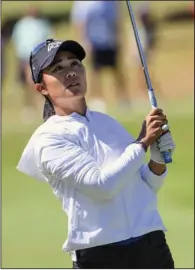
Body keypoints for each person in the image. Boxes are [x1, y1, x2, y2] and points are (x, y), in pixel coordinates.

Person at [17, 38, 176, 269]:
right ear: (41, 88)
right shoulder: (48, 140)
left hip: (151, 246)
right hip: (102, 255)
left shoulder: (107, 122)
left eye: (75, 64)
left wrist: (158, 160)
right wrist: (142, 142)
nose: (70, 72)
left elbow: (145, 186)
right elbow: (102, 185)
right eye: (57, 69)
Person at [71, 1, 130, 113]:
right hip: (94, 43)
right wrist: (84, 41)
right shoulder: (84, 4)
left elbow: (116, 20)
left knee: (117, 70)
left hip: (110, 41)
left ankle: (123, 98)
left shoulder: (110, 3)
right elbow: (80, 23)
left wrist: (118, 37)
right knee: (95, 72)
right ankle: (98, 99)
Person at [11, 6, 53, 122]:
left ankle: (40, 106)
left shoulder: (42, 23)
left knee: (37, 83)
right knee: (28, 84)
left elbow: (48, 38)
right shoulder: (22, 24)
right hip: (25, 57)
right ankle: (29, 107)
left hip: (39, 57)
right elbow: (17, 40)